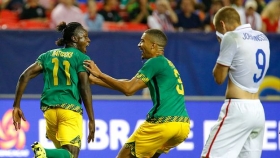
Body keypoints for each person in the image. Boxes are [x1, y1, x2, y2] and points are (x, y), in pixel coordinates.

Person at [84, 29, 190, 158]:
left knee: (124, 156)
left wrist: (100, 74)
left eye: (142, 41)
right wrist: (96, 81)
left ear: (153, 45)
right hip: (182, 126)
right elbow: (128, 83)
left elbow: (128, 89)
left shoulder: (154, 62)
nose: (139, 45)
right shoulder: (167, 64)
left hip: (162, 123)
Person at [12, 21, 95, 158]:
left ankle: (46, 155)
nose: (88, 40)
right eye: (85, 37)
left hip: (49, 112)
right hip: (69, 110)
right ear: (74, 39)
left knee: (62, 155)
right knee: (71, 154)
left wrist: (16, 105)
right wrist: (91, 119)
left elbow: (24, 76)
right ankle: (45, 152)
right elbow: (84, 87)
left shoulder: (47, 55)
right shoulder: (82, 58)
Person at [201, 6, 270, 158]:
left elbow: (219, 78)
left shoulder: (231, 37)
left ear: (223, 24)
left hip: (238, 109)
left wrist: (223, 46)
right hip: (257, 109)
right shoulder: (262, 37)